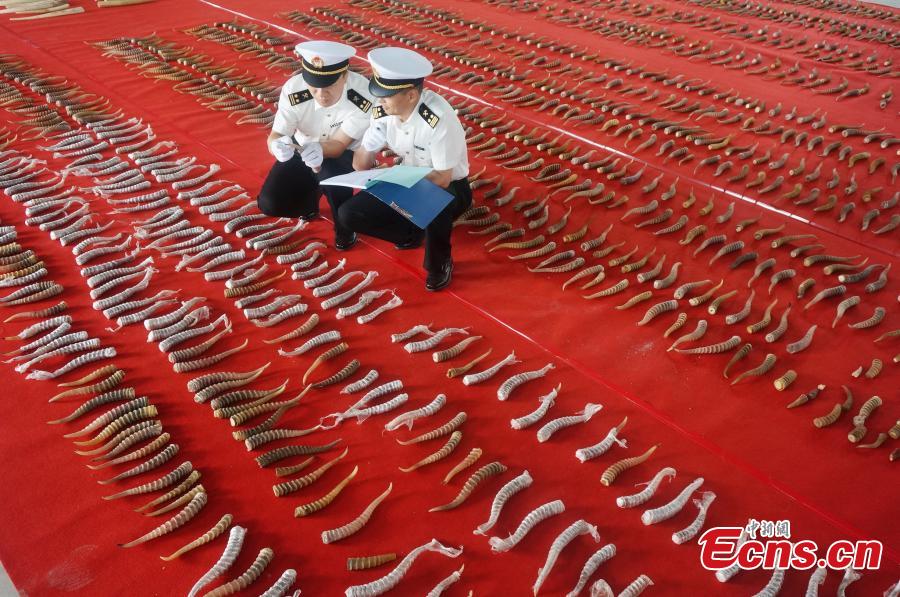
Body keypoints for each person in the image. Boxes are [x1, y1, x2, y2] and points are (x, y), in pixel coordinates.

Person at [340, 47, 471, 291]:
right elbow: (360, 165)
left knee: (435, 203)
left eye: (386, 96)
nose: (379, 101)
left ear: (411, 96)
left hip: (449, 186)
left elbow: (442, 178)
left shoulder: (438, 118)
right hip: (406, 178)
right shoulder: (383, 111)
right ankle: (410, 235)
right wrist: (368, 145)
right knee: (349, 214)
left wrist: (398, 181)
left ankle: (439, 263)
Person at [257, 40, 374, 248]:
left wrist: (319, 150)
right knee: (269, 203)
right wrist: (277, 145)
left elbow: (338, 143)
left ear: (344, 76)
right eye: (314, 87)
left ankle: (344, 228)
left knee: (330, 175)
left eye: (329, 86)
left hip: (343, 152)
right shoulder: (294, 89)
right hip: (302, 146)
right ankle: (308, 202)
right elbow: (276, 134)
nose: (321, 95)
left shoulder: (362, 96)